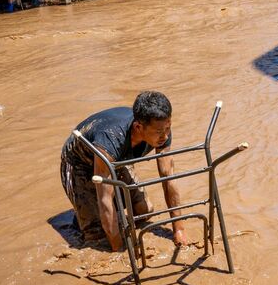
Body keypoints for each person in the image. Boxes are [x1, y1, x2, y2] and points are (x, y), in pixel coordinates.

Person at [60, 91, 186, 252]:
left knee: (144, 210)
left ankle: (104, 216)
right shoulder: (111, 138)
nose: (165, 136)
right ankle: (85, 219)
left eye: (168, 128)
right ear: (138, 127)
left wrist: (179, 229)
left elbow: (168, 176)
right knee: (95, 234)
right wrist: (119, 249)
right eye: (159, 132)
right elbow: (104, 196)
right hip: (79, 163)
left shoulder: (162, 129)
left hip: (118, 159)